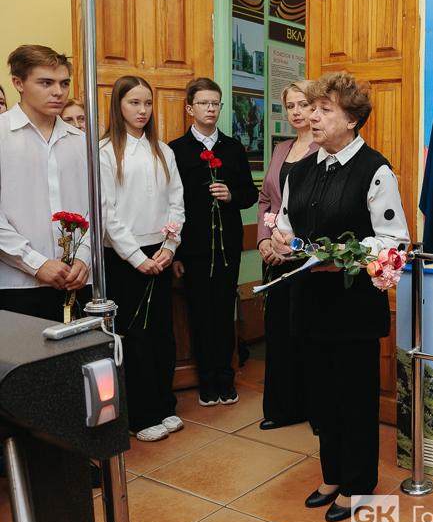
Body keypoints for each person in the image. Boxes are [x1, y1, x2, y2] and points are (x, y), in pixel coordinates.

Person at [272, 71, 409, 522]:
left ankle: (359, 483)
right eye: (311, 108)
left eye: (324, 109)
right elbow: (287, 227)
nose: (312, 117)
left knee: (354, 398)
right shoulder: (300, 170)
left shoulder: (375, 170)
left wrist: (342, 257)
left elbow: (393, 241)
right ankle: (332, 474)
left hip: (352, 310)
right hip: (308, 303)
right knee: (321, 397)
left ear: (351, 119)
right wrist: (280, 242)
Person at [101, 76, 185, 442]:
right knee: (134, 337)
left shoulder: (163, 151)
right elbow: (107, 213)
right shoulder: (106, 151)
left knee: (162, 334)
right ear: (118, 105)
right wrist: (136, 257)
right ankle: (141, 415)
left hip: (160, 253)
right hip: (124, 257)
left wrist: (169, 246)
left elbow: (176, 203)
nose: (142, 110)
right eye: (134, 103)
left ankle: (164, 405)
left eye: (147, 103)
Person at [169, 78, 257, 407]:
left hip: (227, 247)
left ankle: (225, 377)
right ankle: (206, 380)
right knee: (199, 314)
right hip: (192, 249)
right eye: (204, 103)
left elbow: (250, 194)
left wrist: (232, 195)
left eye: (215, 103)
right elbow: (170, 204)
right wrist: (175, 252)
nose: (210, 109)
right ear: (190, 108)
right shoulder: (175, 150)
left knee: (223, 312)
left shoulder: (233, 148)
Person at [0, 45, 90, 321]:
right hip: (17, 284)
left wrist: (84, 256)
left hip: (77, 279)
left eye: (64, 83)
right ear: (18, 83)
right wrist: (36, 263)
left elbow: (99, 207)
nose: (58, 92)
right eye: (46, 83)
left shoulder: (81, 141)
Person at [256, 80, 318, 430]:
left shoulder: (326, 150)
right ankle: (282, 409)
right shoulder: (281, 149)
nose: (296, 112)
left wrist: (292, 246)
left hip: (308, 258)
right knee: (279, 333)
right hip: (274, 257)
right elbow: (267, 200)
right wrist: (264, 241)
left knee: (308, 333)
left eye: (303, 104)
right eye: (291, 105)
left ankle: (315, 409)